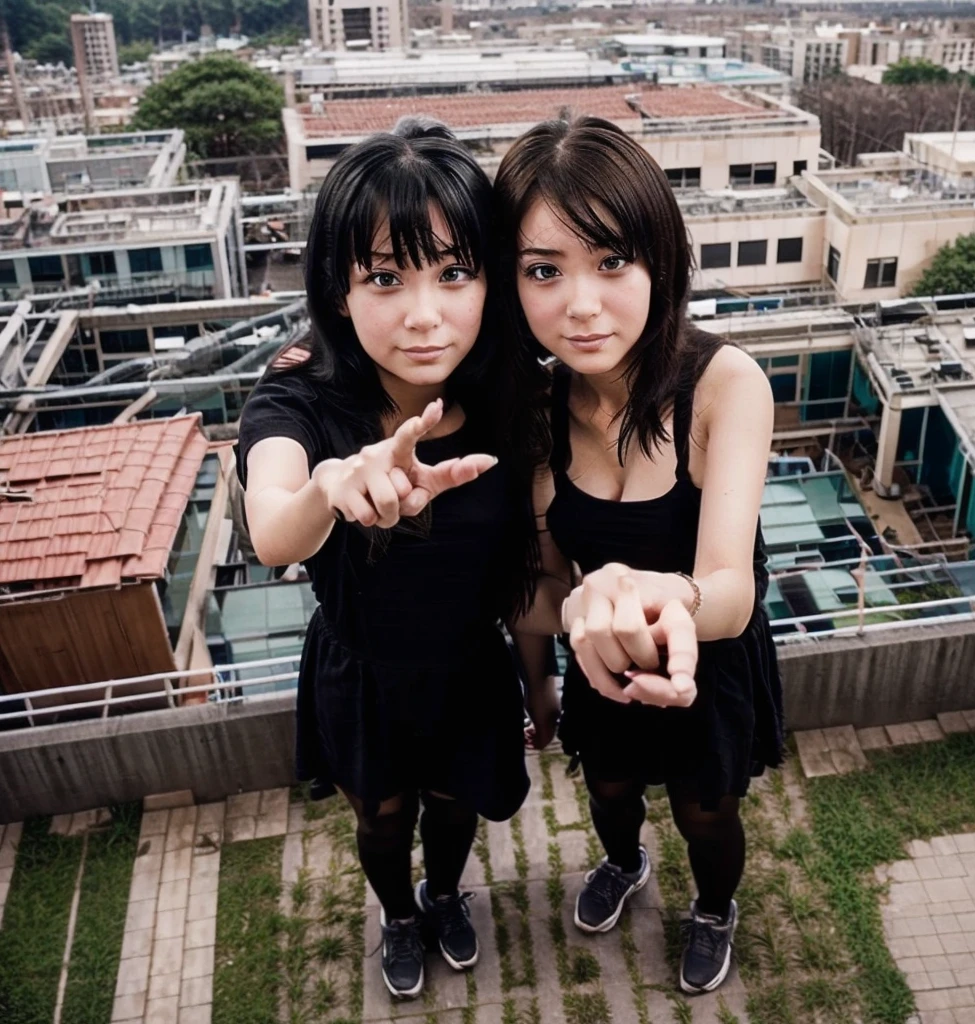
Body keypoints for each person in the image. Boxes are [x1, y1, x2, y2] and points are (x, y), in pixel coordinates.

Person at [236, 117, 549, 1001]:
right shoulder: (297, 398)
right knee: (381, 817)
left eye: (454, 273)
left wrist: (539, 678)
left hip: (468, 663)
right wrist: (332, 486)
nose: (424, 314)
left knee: (453, 808)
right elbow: (272, 532)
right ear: (340, 290)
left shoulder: (510, 390)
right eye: (385, 277)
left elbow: (535, 556)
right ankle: (398, 916)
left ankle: (445, 894)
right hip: (363, 667)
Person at [494, 116, 785, 995]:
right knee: (611, 792)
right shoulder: (535, 412)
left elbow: (730, 583)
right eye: (544, 270)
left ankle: (712, 908)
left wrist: (669, 597)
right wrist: (556, 653)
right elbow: (539, 586)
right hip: (601, 656)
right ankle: (623, 865)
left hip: (711, 657)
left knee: (706, 811)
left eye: (612, 261)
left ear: (661, 259)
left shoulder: (725, 384)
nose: (581, 304)